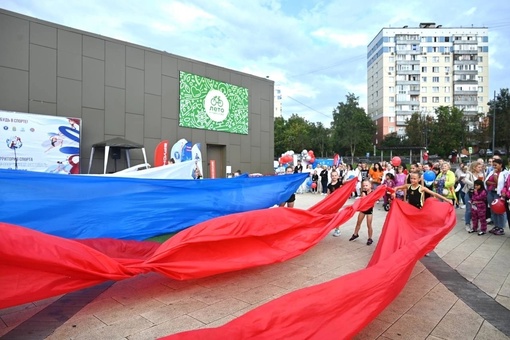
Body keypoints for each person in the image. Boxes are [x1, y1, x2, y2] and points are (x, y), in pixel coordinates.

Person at [349, 180, 375, 245]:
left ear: (370, 186)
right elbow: (365, 200)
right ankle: (355, 234)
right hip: (363, 210)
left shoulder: (373, 192)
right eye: (364, 186)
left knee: (369, 225)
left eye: (366, 185)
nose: (365, 187)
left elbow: (374, 200)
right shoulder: (363, 192)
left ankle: (370, 238)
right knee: (358, 222)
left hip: (369, 211)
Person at [485, 158, 507, 235]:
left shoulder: (505, 173)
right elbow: (487, 181)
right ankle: (496, 225)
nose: (494, 167)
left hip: (499, 193)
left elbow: (499, 183)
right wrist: (493, 182)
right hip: (491, 192)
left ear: (501, 165)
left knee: (499, 210)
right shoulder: (492, 172)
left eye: (496, 165)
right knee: (493, 209)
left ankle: (501, 227)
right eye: (493, 165)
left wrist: (495, 177)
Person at [462, 161, 484, 232]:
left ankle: (476, 225)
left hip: (478, 194)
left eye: (481, 167)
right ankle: (467, 224)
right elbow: (465, 180)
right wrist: (474, 184)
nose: (480, 169)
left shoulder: (481, 174)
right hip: (469, 193)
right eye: (479, 167)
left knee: (477, 210)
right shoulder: (469, 173)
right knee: (469, 210)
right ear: (474, 167)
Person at [329, 170, 343, 237]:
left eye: (335, 175)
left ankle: (337, 230)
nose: (334, 177)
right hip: (331, 203)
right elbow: (328, 195)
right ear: (331, 176)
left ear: (338, 176)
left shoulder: (340, 183)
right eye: (333, 176)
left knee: (336, 215)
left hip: (337, 203)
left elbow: (346, 183)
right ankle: (329, 227)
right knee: (330, 216)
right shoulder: (329, 185)